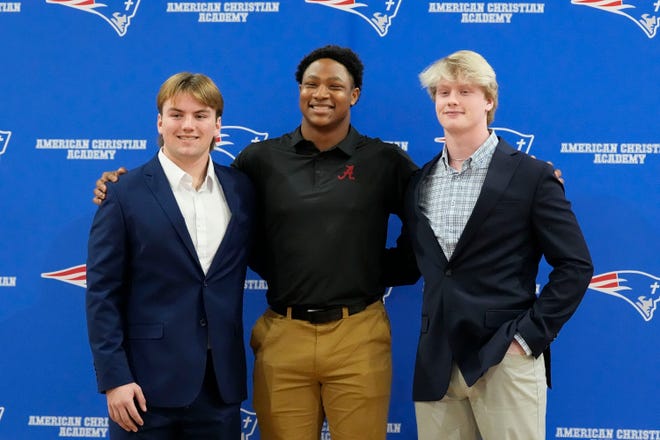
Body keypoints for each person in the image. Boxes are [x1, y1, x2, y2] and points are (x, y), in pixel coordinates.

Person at [92, 46, 420, 440]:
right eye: (311, 83)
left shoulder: (383, 160)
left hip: (357, 333)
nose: (321, 93)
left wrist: (369, 269)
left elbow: (425, 222)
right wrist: (118, 185)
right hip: (280, 332)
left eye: (335, 85)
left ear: (354, 95)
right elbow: (106, 289)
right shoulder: (257, 164)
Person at [404, 49, 594, 440]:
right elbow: (415, 262)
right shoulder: (418, 182)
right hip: (436, 362)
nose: (451, 100)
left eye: (464, 91)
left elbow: (575, 265)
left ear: (488, 100)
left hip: (504, 357)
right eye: (442, 92)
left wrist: (527, 338)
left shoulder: (531, 175)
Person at [86, 72, 256, 439]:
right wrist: (116, 380)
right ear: (160, 122)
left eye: (201, 115)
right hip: (144, 390)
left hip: (220, 388)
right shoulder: (122, 193)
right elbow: (102, 294)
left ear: (217, 125)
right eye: (177, 115)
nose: (188, 126)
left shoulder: (242, 190)